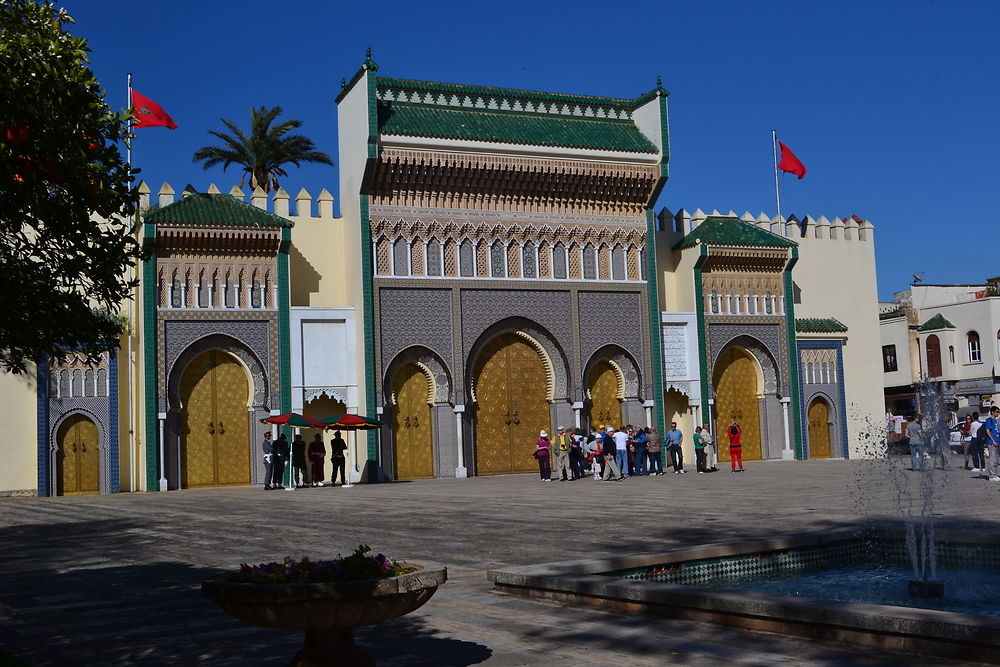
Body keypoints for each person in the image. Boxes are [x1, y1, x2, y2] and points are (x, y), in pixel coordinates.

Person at [983, 407, 1000, 482]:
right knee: (992, 459)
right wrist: (993, 441)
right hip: (992, 443)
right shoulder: (989, 420)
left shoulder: (995, 421)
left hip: (997, 442)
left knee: (996, 460)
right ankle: (992, 476)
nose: (998, 413)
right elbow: (988, 431)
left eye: (998, 412)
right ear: (992, 412)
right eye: (996, 411)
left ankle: (995, 475)